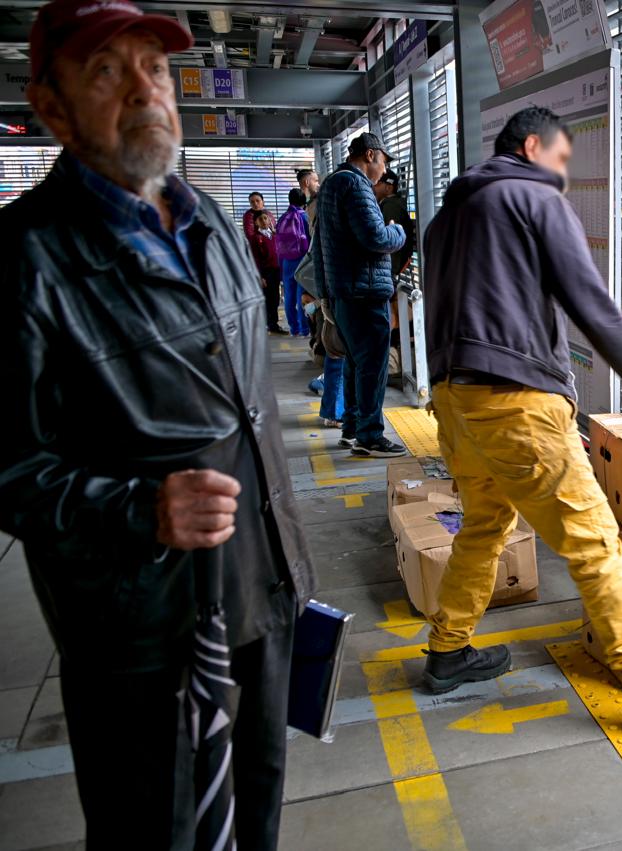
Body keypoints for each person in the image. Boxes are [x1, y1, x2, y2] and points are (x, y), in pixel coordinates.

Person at [2, 1, 316, 847]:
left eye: (156, 68)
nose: (145, 91)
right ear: (51, 106)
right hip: (142, 631)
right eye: (107, 71)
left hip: (261, 588)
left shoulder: (209, 221)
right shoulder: (25, 259)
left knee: (255, 810)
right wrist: (137, 508)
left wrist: (289, 569)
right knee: (158, 829)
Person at [421, 106, 622, 728]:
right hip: (515, 400)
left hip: (454, 399)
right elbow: (590, 301)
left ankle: (448, 651)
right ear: (533, 146)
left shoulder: (448, 217)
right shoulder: (533, 197)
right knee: (591, 537)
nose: (562, 174)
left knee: (484, 525)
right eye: (561, 159)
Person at [315, 132, 407, 457]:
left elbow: (319, 247)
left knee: (355, 364)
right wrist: (397, 230)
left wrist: (325, 295)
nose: (384, 171)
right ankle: (371, 436)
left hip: (343, 292)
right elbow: (376, 237)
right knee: (373, 367)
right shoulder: (356, 185)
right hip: (365, 292)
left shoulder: (331, 184)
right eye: (383, 162)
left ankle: (352, 429)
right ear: (370, 155)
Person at [276, 187, 311, 336]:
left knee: (289, 295)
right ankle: (304, 328)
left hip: (286, 261)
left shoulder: (283, 218)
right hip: (302, 259)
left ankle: (293, 328)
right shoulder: (305, 217)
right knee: (301, 294)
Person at [249, 209, 286, 334]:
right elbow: (255, 259)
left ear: (270, 220)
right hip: (266, 272)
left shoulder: (274, 235)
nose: (264, 221)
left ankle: (272, 323)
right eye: (260, 219)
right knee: (269, 299)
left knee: (276, 298)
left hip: (277, 270)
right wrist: (260, 276)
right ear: (256, 223)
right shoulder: (255, 238)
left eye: (266, 218)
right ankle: (271, 325)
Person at [374, 168, 415, 281]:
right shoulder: (390, 205)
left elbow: (392, 244)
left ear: (388, 187)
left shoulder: (390, 207)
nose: (373, 186)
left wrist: (390, 273)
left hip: (387, 273)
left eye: (377, 183)